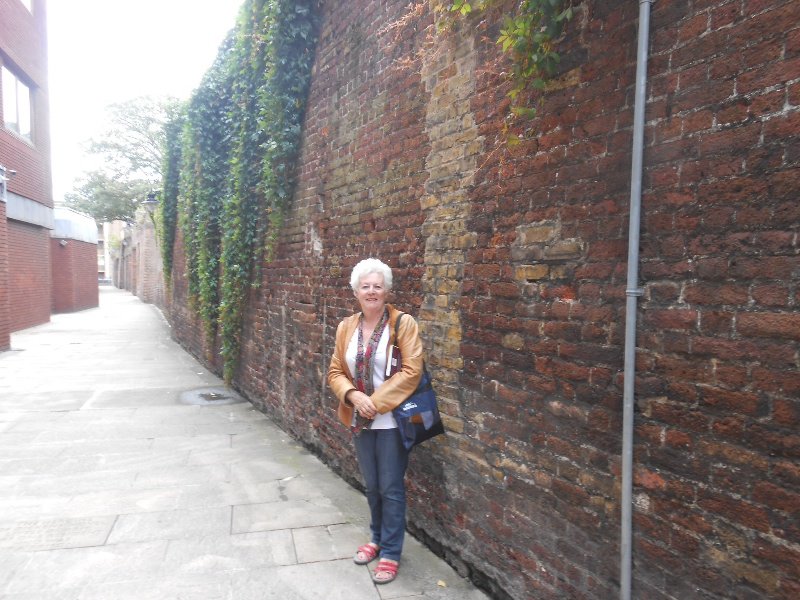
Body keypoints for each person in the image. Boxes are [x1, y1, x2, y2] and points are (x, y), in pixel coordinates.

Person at [327, 258, 423, 585]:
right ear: (355, 291)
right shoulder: (346, 328)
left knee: (391, 488)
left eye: (377, 286)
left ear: (387, 291)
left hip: (393, 421)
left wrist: (375, 403)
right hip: (360, 421)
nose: (371, 291)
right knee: (372, 486)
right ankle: (377, 538)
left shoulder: (403, 324)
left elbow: (412, 371)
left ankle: (392, 552)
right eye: (365, 286)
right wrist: (354, 397)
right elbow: (336, 371)